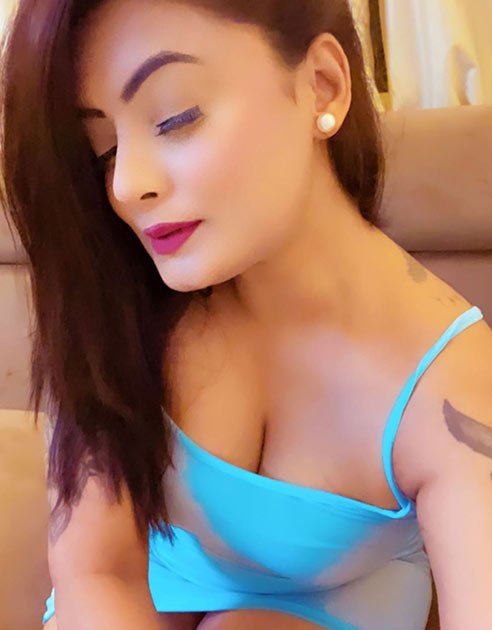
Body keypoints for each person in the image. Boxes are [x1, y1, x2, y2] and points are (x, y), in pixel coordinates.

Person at [1, 1, 492, 629]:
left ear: (322, 85)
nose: (126, 185)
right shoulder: (122, 290)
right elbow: (95, 570)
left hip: (338, 600)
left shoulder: (448, 389)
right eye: (104, 150)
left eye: (176, 118)